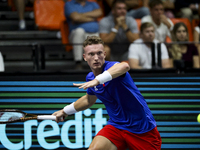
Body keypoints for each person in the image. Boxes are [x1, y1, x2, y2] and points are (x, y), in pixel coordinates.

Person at [52, 36, 162, 150]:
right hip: (116, 127)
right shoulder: (90, 78)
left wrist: (97, 80)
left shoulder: (111, 68)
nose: (96, 58)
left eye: (99, 53)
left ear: (104, 54)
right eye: (91, 54)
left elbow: (125, 66)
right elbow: (88, 100)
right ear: (84, 57)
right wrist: (64, 111)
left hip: (142, 129)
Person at [64, 0, 103, 69]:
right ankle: (78, 62)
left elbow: (99, 12)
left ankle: (97, 64)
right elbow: (76, 17)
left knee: (96, 36)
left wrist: (81, 15)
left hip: (93, 33)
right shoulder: (69, 4)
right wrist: (92, 18)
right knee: (79, 31)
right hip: (76, 35)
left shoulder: (93, 4)